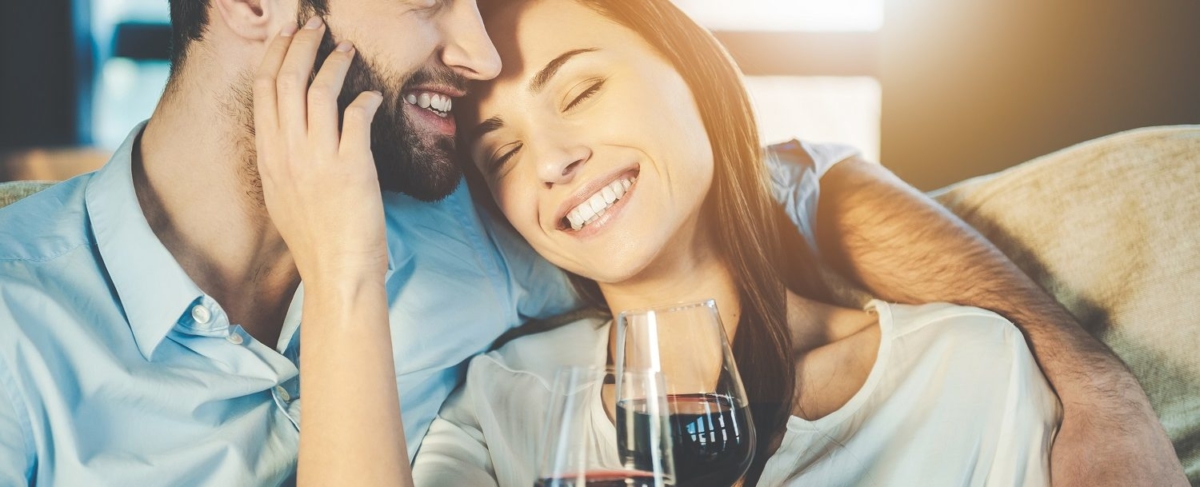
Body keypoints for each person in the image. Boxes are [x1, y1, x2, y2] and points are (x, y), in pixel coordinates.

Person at [0, 0, 1182, 486]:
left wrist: (1089, 381)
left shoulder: (473, 222)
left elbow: (788, 181)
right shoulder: (19, 341)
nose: (470, 53)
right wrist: (345, 272)